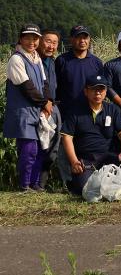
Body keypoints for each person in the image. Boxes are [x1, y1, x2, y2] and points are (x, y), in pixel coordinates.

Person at [60, 75, 121, 195]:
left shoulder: (113, 109)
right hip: (87, 160)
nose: (98, 93)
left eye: (101, 89)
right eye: (94, 89)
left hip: (109, 157)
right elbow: (66, 137)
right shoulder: (75, 112)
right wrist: (74, 161)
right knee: (83, 188)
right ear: (86, 91)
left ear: (105, 92)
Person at [4, 24, 53, 191]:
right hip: (23, 111)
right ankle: (24, 185)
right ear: (20, 38)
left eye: (35, 38)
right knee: (29, 149)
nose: (32, 41)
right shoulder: (16, 59)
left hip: (36, 110)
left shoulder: (36, 58)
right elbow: (27, 87)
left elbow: (44, 83)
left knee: (40, 149)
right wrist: (44, 103)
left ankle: (35, 183)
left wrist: (48, 101)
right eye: (27, 37)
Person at [55, 25, 103, 119]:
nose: (82, 41)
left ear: (89, 40)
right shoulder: (61, 60)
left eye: (85, 38)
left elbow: (102, 87)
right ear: (71, 39)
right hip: (66, 113)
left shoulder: (96, 62)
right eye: (78, 37)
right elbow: (55, 86)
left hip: (90, 113)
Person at [36, 29, 62, 188]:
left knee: (53, 146)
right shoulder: (32, 60)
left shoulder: (53, 62)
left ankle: (42, 184)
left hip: (53, 107)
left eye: (54, 43)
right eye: (48, 41)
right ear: (39, 41)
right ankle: (33, 182)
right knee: (38, 146)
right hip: (38, 108)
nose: (51, 46)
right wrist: (44, 104)